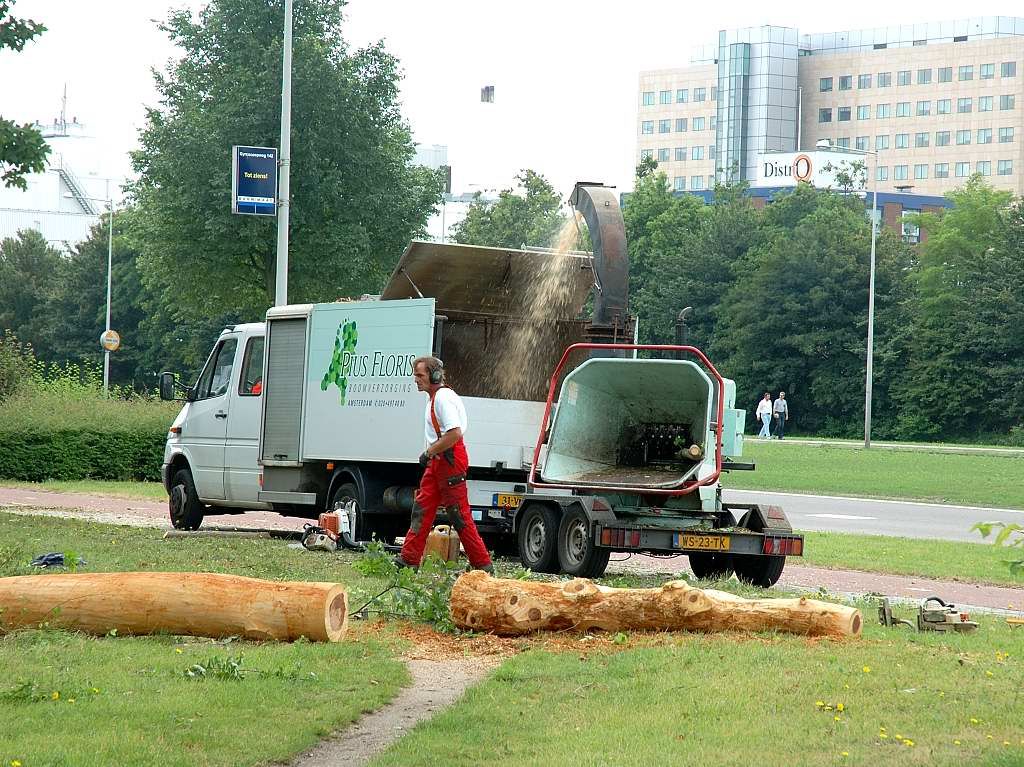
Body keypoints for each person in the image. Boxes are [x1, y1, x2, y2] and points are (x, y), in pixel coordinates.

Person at [394, 356, 494, 573]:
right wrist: (432, 455)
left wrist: (429, 451)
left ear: (435, 375)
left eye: (420, 375)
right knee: (422, 509)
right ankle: (408, 560)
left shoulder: (442, 399)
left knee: (459, 515)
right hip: (440, 460)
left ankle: (483, 565)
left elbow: (454, 433)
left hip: (449, 459)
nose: (416, 380)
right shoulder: (434, 398)